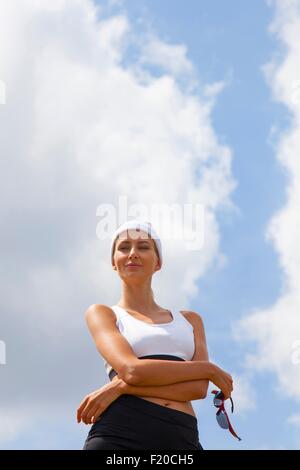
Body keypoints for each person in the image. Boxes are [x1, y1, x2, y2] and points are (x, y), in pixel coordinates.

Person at [77, 219, 233, 450]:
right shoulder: (103, 314)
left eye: (143, 247)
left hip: (181, 437)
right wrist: (209, 369)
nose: (132, 254)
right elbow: (131, 369)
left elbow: (198, 389)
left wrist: (121, 387)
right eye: (124, 247)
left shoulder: (190, 321)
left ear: (158, 262)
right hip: (120, 434)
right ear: (114, 262)